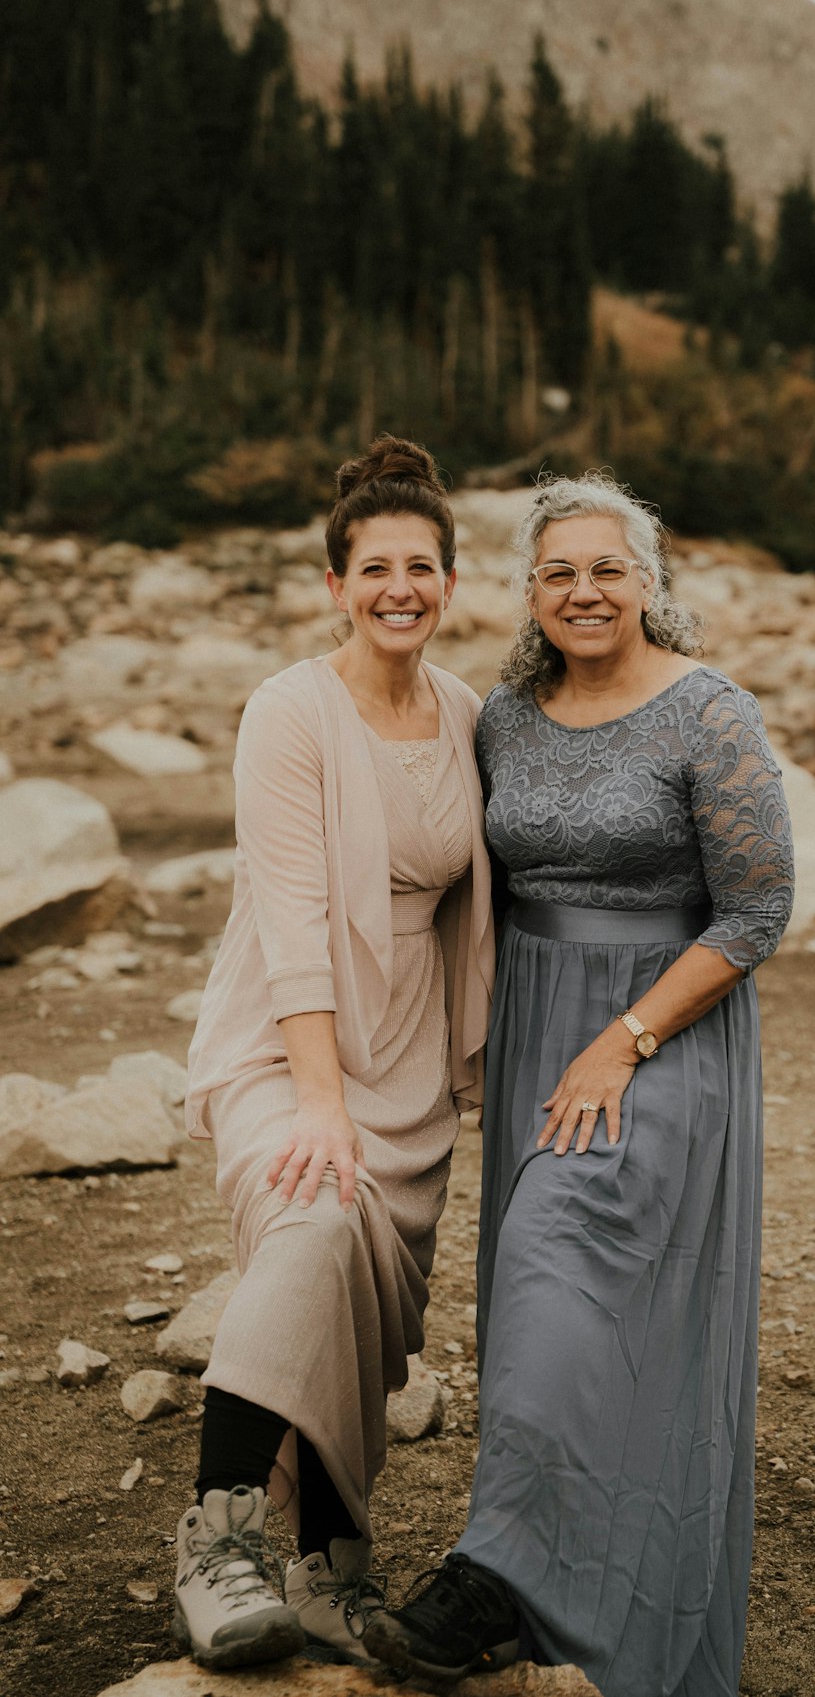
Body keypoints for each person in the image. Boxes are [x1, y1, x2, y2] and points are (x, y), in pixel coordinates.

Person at [367, 473, 795, 1697]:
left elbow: (759, 902)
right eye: (558, 572)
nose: (584, 590)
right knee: (563, 1319)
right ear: (530, 593)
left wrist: (624, 1039)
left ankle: (493, 1574)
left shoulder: (711, 715)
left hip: (661, 1032)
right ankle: (561, 1590)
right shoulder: (503, 715)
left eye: (607, 568)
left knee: (562, 1250)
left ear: (649, 580)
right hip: (533, 1031)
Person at [172, 436, 494, 1671]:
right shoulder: (288, 709)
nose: (398, 586)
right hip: (287, 1036)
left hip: (410, 1053)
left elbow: (488, 898)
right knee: (312, 1215)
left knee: (363, 1309)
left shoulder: (465, 710)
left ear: (450, 584)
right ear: (334, 583)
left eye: (422, 566)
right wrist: (319, 1101)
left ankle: (326, 1572)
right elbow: (295, 918)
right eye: (375, 566)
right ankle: (218, 1535)